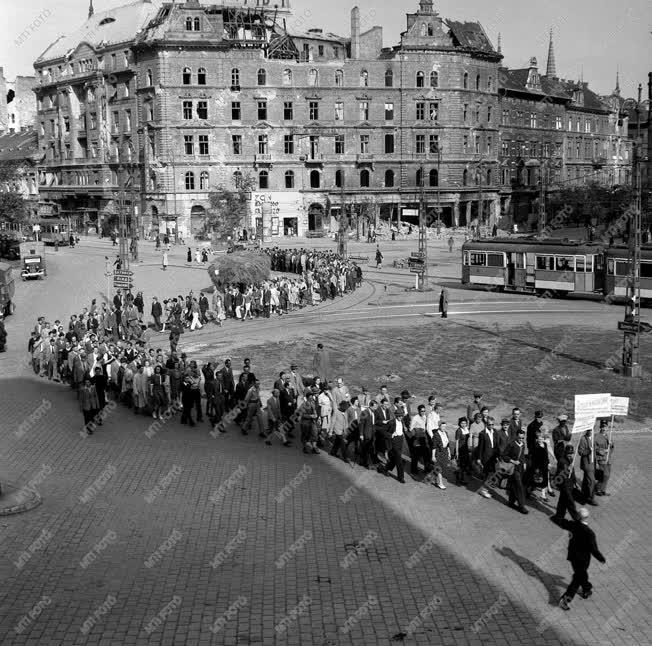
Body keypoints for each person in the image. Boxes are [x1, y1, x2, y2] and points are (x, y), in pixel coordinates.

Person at [558, 508, 606, 611]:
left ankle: (587, 589)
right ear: (586, 517)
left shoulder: (572, 525)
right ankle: (565, 599)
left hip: (572, 557)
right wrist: (601, 558)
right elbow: (593, 549)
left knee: (581, 575)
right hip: (583, 559)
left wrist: (555, 518)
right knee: (577, 579)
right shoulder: (589, 533)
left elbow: (562, 522)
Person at [551, 445, 580, 523]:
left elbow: (572, 472)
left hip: (570, 484)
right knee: (570, 502)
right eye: (568, 453)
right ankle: (577, 519)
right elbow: (559, 474)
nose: (570, 455)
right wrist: (567, 470)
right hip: (564, 484)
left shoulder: (571, 460)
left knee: (562, 502)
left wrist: (575, 482)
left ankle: (558, 517)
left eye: (571, 453)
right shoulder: (561, 461)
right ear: (565, 452)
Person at [503, 429, 529, 513]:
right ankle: (522, 506)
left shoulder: (523, 444)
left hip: (520, 468)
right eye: (519, 437)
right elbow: (504, 455)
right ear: (516, 436)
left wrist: (524, 463)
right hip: (513, 468)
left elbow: (522, 456)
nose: (521, 439)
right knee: (519, 486)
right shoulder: (511, 444)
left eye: (522, 438)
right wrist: (512, 461)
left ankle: (511, 502)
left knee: (514, 484)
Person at [475, 417, 499, 499]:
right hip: (486, 457)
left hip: (493, 457)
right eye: (489, 424)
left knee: (492, 473)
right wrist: (479, 458)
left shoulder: (495, 432)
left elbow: (496, 445)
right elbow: (480, 447)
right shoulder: (482, 434)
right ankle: (483, 490)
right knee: (488, 473)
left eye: (492, 424)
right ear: (486, 424)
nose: (491, 426)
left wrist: (497, 456)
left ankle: (485, 488)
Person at [527, 427, 550, 501]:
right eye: (539, 439)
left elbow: (546, 455)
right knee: (535, 480)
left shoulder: (545, 445)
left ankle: (543, 495)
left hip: (544, 465)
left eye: (541, 438)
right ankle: (528, 492)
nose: (540, 440)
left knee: (545, 480)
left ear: (543, 438)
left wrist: (548, 463)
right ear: (537, 439)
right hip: (537, 466)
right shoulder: (535, 446)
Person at [577, 426, 598, 506]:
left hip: (593, 463)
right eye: (589, 430)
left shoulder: (593, 438)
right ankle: (591, 498)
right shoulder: (583, 439)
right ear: (587, 430)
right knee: (592, 480)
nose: (590, 431)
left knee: (586, 480)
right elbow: (580, 452)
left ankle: (584, 495)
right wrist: (589, 451)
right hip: (587, 464)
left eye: (592, 430)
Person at [594, 419, 612, 496]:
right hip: (601, 459)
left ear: (607, 428)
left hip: (608, 459)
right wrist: (603, 451)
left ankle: (603, 489)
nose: (604, 428)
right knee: (604, 475)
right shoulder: (596, 437)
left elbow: (611, 448)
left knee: (607, 476)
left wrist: (611, 445)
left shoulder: (608, 436)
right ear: (600, 428)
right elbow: (595, 448)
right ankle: (598, 488)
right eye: (602, 427)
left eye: (605, 427)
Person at [432, 421, 451, 489]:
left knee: (443, 467)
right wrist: (433, 456)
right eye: (442, 426)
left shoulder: (446, 433)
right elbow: (434, 447)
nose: (444, 428)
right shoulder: (436, 435)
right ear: (439, 426)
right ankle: (440, 483)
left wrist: (449, 452)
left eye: (445, 426)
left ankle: (435, 478)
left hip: (445, 452)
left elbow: (448, 445)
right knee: (439, 468)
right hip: (438, 453)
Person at [454, 417, 471, 485]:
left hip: (465, 449)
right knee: (460, 465)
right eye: (462, 423)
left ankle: (462, 479)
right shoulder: (458, 430)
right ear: (459, 424)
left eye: (465, 423)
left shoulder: (467, 429)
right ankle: (458, 480)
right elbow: (457, 442)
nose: (463, 424)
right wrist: (457, 452)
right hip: (460, 450)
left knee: (464, 465)